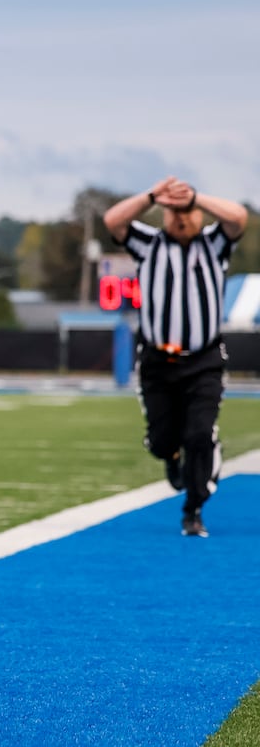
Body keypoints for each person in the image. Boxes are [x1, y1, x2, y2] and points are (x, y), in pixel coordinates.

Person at [102, 175, 247, 538]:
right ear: (163, 215)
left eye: (188, 212)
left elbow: (238, 218)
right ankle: (170, 456)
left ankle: (193, 509)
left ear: (199, 214)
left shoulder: (213, 244)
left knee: (199, 434)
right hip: (158, 360)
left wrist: (196, 197)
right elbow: (113, 221)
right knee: (163, 439)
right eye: (174, 212)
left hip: (203, 358)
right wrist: (152, 195)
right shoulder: (149, 244)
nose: (182, 219)